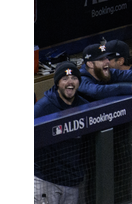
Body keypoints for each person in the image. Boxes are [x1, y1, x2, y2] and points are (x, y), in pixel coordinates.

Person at [34, 61, 90, 204]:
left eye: (74, 78)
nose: (70, 82)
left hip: (71, 181)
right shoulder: (43, 108)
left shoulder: (84, 106)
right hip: (46, 180)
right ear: (57, 83)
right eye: (65, 79)